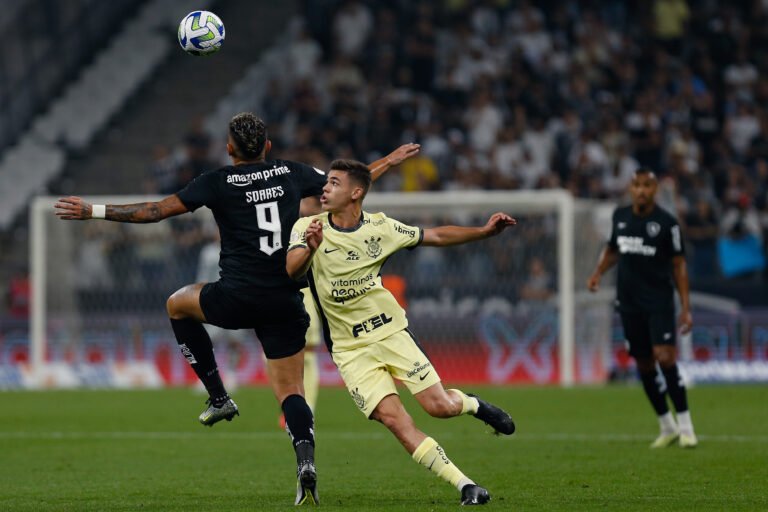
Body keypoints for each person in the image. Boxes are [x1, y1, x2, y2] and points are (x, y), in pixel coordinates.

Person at [54, 112, 420, 505]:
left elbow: (156, 211)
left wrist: (92, 210)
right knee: (292, 390)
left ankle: (218, 396)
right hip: (283, 297)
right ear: (267, 147)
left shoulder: (216, 182)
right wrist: (389, 160)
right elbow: (352, 184)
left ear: (229, 149)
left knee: (178, 305)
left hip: (236, 298)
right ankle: (305, 460)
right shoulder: (290, 172)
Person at [285, 159, 516, 506]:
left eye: (334, 183)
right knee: (395, 420)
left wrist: (483, 232)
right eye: (326, 182)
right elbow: (291, 271)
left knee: (440, 407)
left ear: (356, 193)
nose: (325, 188)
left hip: (391, 333)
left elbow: (434, 235)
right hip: (350, 351)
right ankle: (465, 485)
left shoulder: (381, 228)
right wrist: (311, 247)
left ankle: (470, 403)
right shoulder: (308, 226)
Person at [587, 167, 698, 448]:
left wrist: (685, 307)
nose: (641, 190)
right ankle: (666, 425)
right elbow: (613, 249)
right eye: (636, 185)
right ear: (631, 188)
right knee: (644, 362)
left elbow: (679, 265)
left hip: (659, 302)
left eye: (647, 185)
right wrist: (598, 272)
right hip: (629, 303)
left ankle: (686, 426)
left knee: (666, 358)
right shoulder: (620, 216)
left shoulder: (667, 223)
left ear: (655, 189)